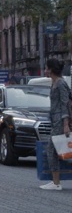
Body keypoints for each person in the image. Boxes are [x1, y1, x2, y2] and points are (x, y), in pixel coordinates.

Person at [40, 58, 71, 190]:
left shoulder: (60, 83)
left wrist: (66, 124)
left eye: (47, 68)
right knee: (54, 151)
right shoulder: (55, 83)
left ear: (51, 70)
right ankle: (55, 181)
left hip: (60, 121)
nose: (45, 70)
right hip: (55, 120)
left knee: (51, 150)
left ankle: (56, 183)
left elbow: (65, 104)